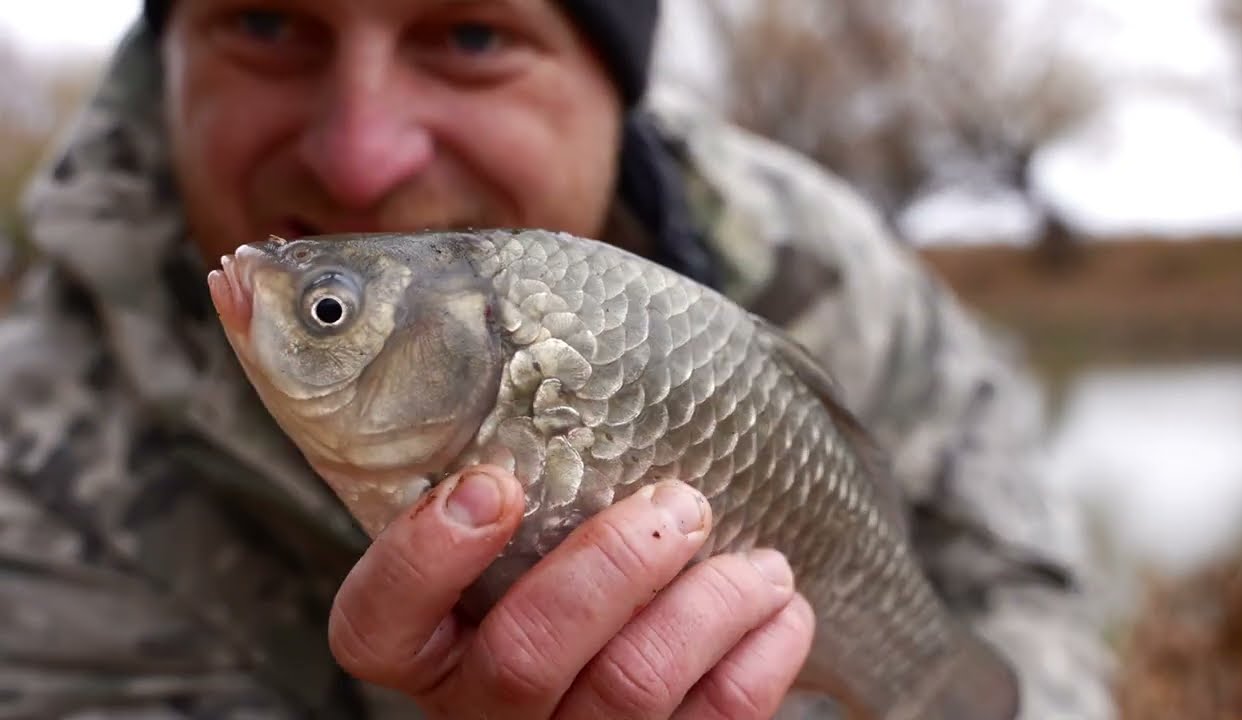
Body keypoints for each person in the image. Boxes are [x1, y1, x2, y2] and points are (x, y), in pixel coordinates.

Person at [0, 1, 1115, 718]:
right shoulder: (28, 465)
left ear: (613, 82)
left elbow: (1032, 620)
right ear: (164, 58)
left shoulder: (833, 271)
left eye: (472, 36)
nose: (358, 154)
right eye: (268, 22)